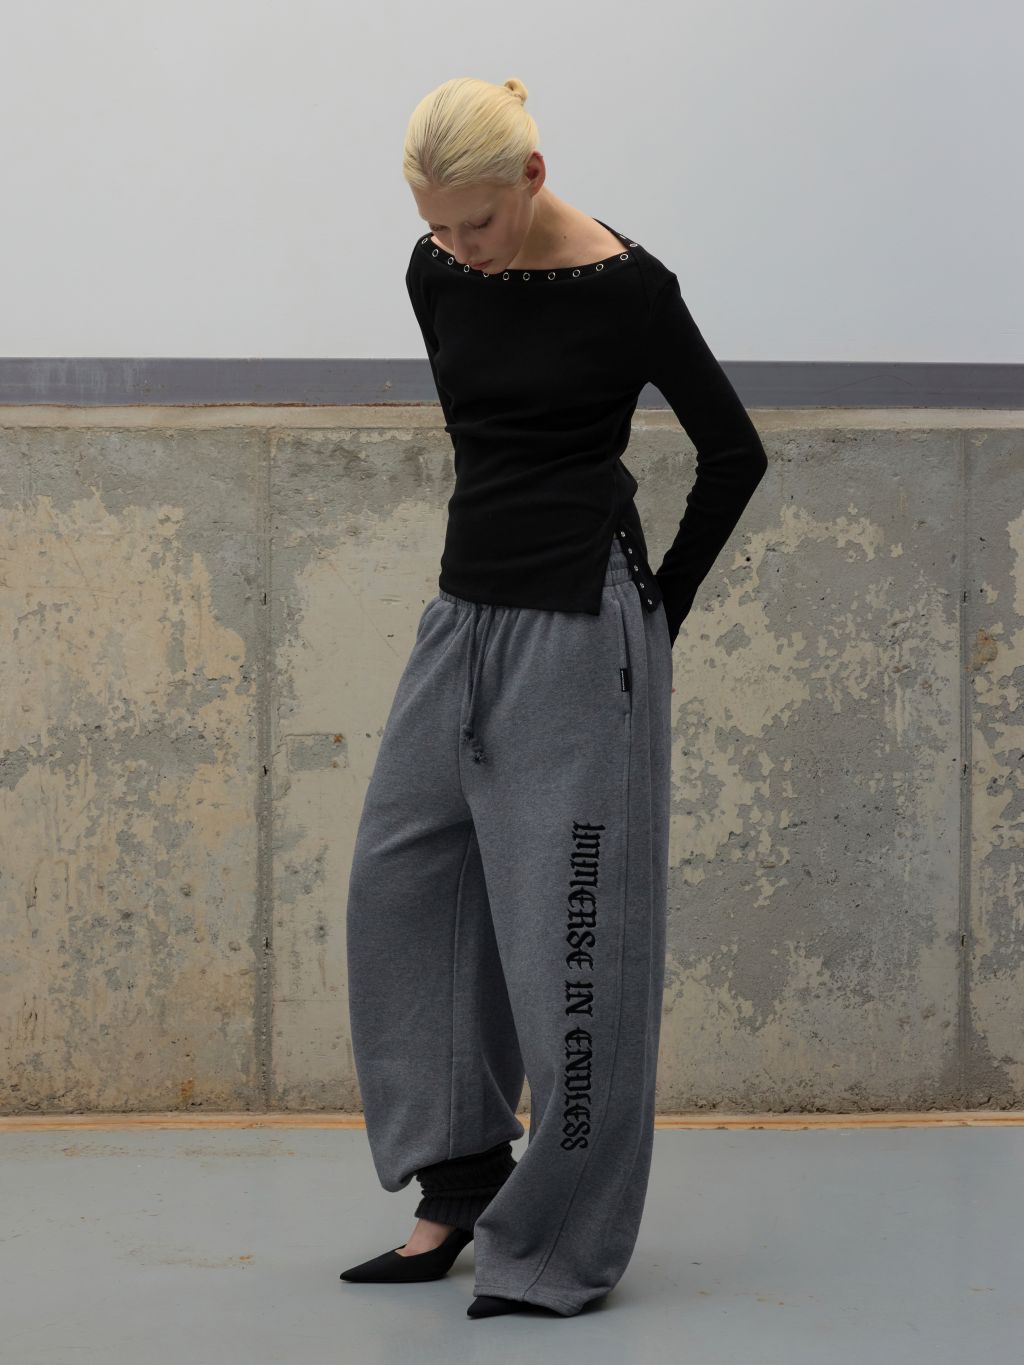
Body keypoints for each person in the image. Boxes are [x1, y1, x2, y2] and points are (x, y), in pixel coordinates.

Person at [339, 75, 768, 1318]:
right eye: (435, 224)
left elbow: (735, 454)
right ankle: (460, 1182)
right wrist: (449, 247)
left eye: (474, 221)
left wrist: (658, 616)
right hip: (461, 619)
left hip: (584, 628)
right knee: (402, 894)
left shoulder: (631, 290)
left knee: (572, 941)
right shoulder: (433, 272)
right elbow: (491, 449)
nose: (456, 246)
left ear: (532, 176)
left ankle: (559, 1244)